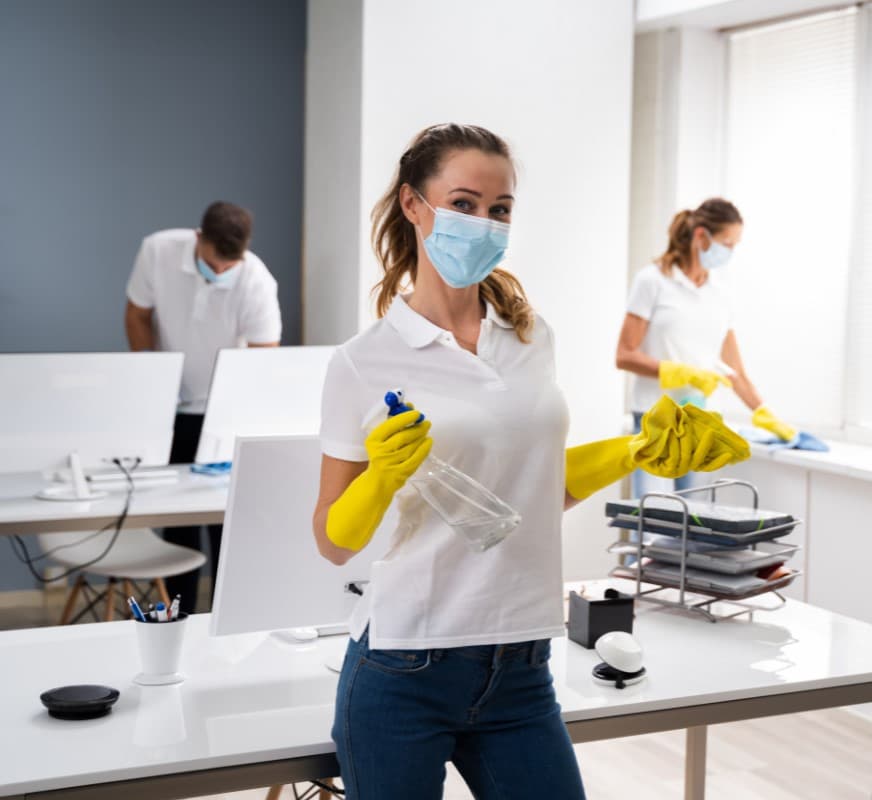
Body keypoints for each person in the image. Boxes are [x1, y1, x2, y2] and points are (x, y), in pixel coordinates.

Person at [311, 123, 745, 800]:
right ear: (412, 205)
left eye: (500, 210)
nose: (482, 223)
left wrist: (636, 451)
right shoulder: (363, 362)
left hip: (521, 666)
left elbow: (539, 486)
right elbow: (333, 542)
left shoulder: (529, 335)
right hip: (405, 669)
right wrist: (384, 479)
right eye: (462, 203)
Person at [125, 201, 282, 612]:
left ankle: (224, 621)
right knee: (179, 527)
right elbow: (138, 314)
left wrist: (236, 414)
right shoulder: (158, 251)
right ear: (198, 238)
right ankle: (181, 618)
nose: (223, 272)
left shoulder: (256, 280)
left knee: (227, 524)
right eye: (216, 263)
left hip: (225, 418)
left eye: (231, 265)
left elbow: (265, 357)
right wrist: (152, 377)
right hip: (170, 409)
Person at [616, 198, 797, 497]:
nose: (730, 252)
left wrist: (764, 413)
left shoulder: (720, 295)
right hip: (655, 419)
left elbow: (735, 369)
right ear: (701, 236)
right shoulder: (652, 281)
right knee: (652, 519)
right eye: (727, 243)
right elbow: (624, 355)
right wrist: (681, 373)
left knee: (694, 521)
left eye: (735, 245)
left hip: (702, 421)